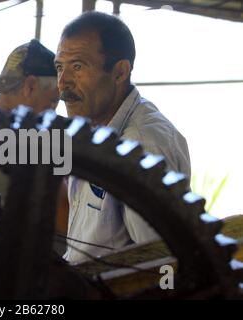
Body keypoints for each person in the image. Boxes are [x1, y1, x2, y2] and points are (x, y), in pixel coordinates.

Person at [54, 12, 191, 264]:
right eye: (60, 67)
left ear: (120, 72)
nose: (63, 82)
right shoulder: (92, 126)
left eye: (78, 66)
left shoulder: (145, 144)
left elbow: (161, 265)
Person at [0, 39, 60, 206]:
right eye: (53, 101)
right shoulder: (31, 142)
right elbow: (63, 210)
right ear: (30, 86)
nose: (53, 112)